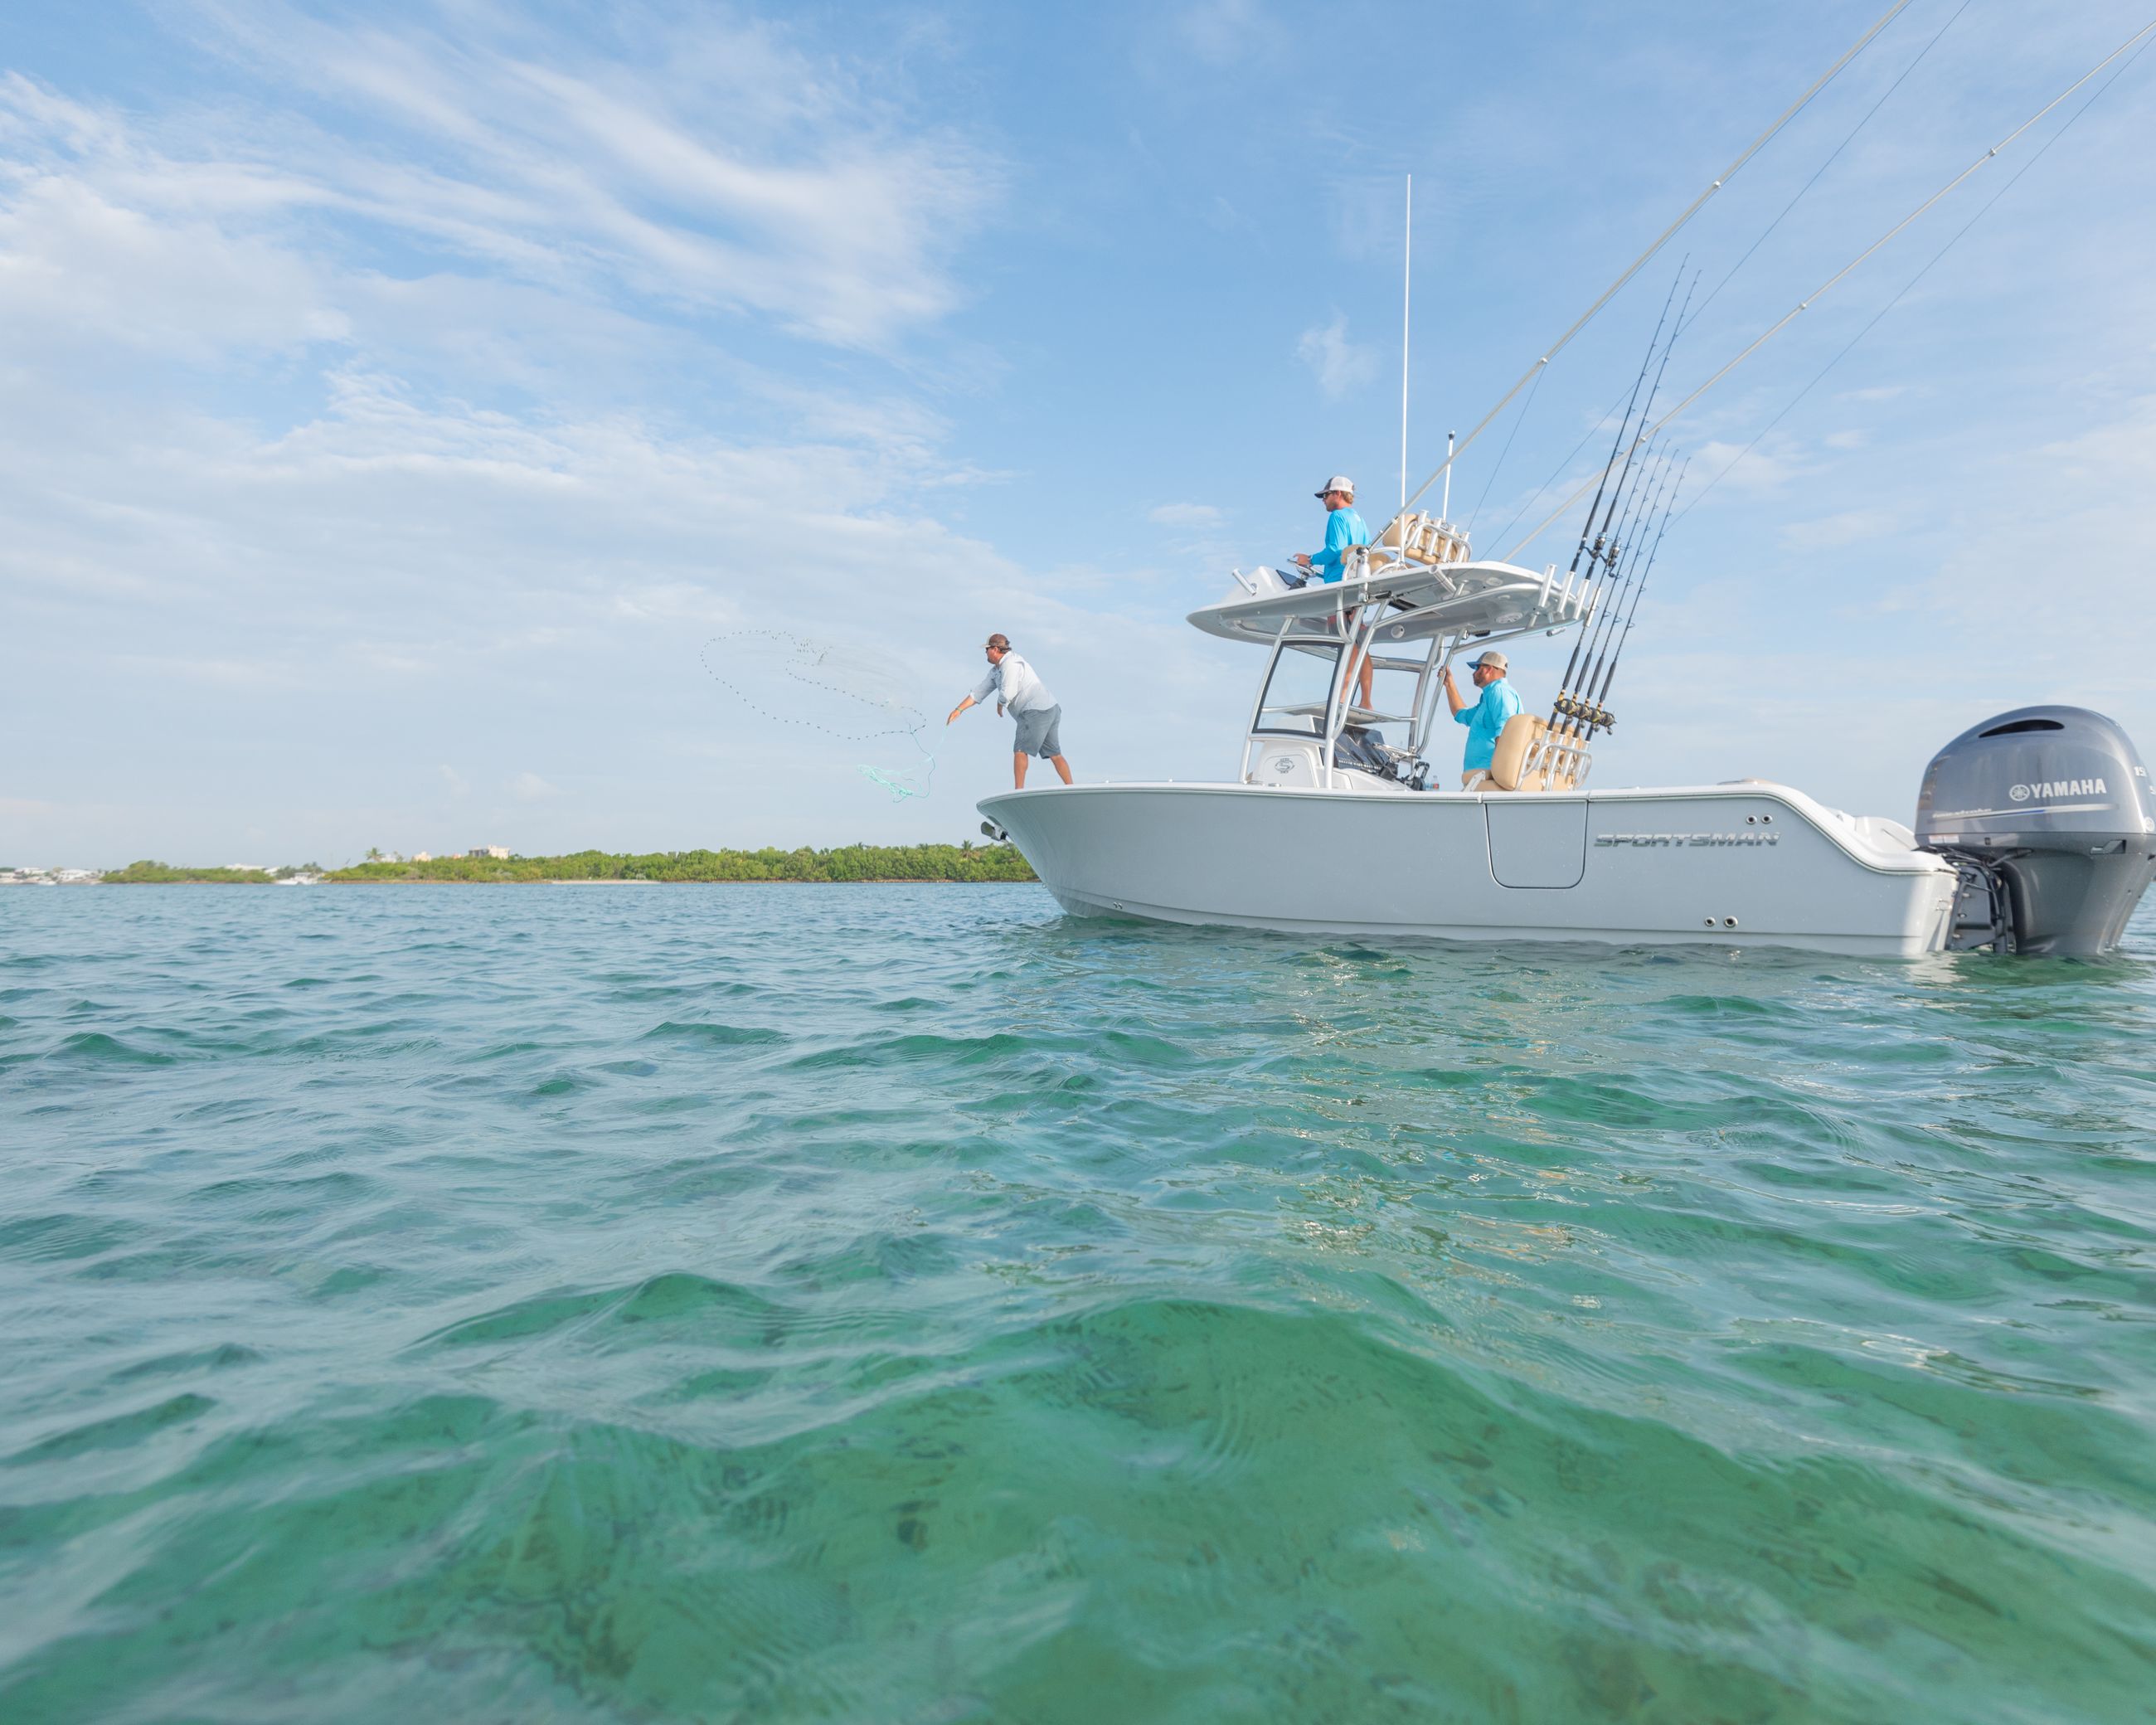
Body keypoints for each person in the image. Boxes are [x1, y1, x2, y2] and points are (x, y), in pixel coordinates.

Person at [947, 634, 1074, 789]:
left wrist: (1000, 704)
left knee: (1020, 750)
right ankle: (1070, 787)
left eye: (986, 649)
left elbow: (1008, 692)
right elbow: (980, 691)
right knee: (1055, 754)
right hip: (1050, 709)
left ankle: (1018, 790)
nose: (985, 653)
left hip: (1035, 710)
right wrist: (959, 710)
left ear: (994, 649)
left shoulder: (1010, 664)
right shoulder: (996, 670)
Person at [1293, 475, 1375, 710]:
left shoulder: (1338, 516)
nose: (1323, 501)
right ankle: (1366, 700)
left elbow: (1335, 550)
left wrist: (1309, 559)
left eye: (1326, 495)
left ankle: (1341, 699)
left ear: (1338, 494)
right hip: (1358, 586)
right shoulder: (1359, 519)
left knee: (1345, 643)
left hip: (1342, 587)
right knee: (1359, 644)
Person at [1443, 649, 1522, 789]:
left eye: (1477, 668)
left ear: (1488, 669)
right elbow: (1461, 714)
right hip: (1477, 780)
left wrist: (1502, 775)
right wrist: (1449, 683)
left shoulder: (1499, 692)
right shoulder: (1488, 697)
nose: (1474, 673)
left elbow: (1505, 734)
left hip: (1488, 778)